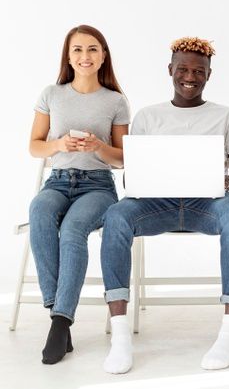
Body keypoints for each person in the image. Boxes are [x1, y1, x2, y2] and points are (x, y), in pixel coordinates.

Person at [100, 37, 229, 373]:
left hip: (206, 204)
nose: (190, 76)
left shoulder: (226, 116)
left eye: (199, 71)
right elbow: (130, 181)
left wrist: (225, 181)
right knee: (116, 215)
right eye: (182, 69)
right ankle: (120, 336)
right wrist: (147, 176)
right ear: (170, 70)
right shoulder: (148, 117)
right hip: (158, 204)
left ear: (209, 75)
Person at [28, 24, 130, 364]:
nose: (84, 56)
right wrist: (59, 144)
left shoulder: (115, 100)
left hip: (97, 185)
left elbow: (123, 159)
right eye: (77, 50)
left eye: (92, 49)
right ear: (68, 57)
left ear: (103, 57)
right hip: (57, 181)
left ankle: (60, 323)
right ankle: (58, 313)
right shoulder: (51, 94)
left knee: (73, 232)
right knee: (39, 212)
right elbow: (34, 146)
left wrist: (99, 146)